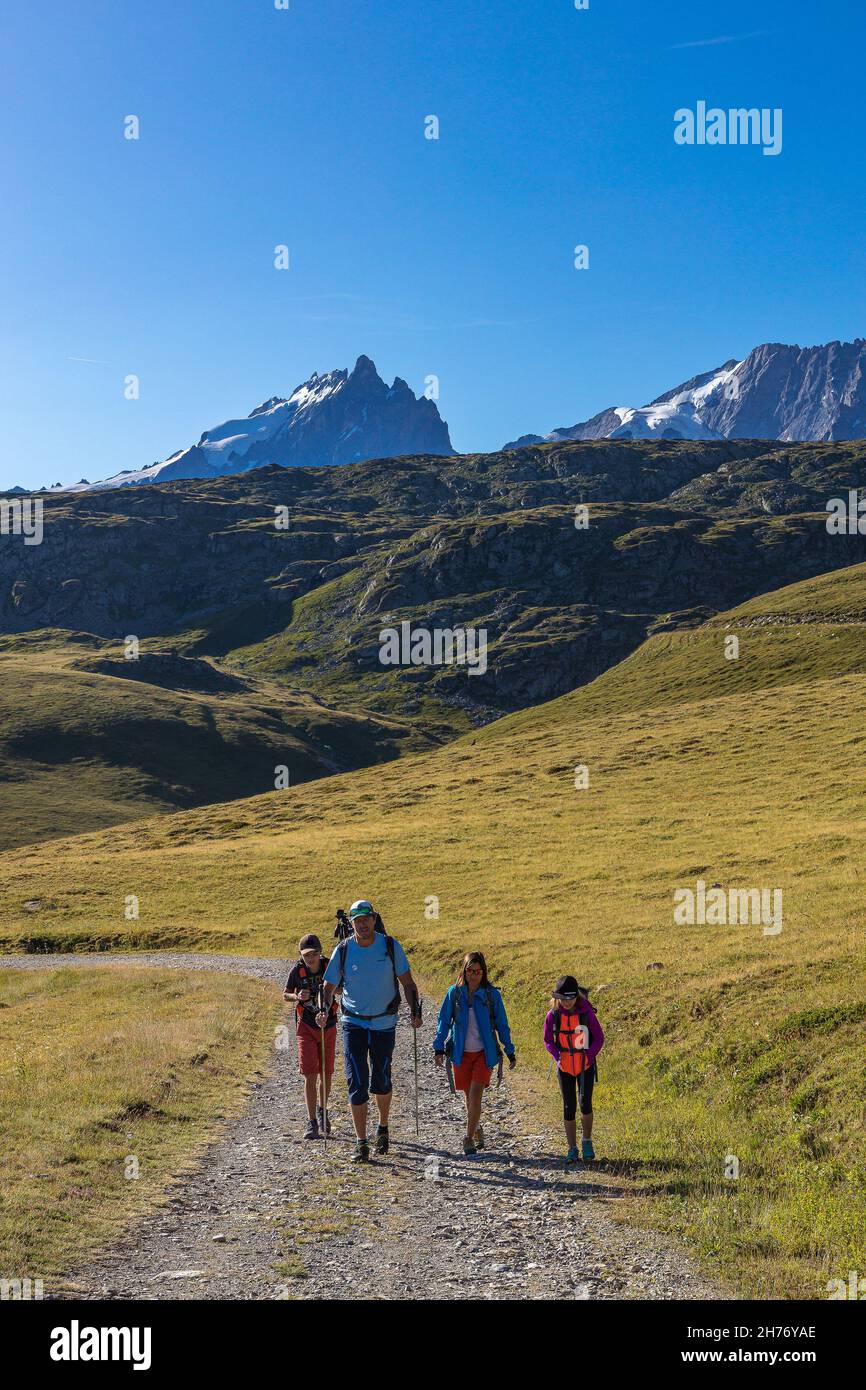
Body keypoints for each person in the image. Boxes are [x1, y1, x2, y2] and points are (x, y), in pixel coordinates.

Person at [320, 899, 421, 1163]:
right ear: (351, 924)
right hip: (353, 1023)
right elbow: (328, 987)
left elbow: (408, 983)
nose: (363, 925)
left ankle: (383, 1127)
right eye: (357, 921)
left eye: (367, 919)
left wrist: (415, 1011)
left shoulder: (390, 946)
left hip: (384, 1023)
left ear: (374, 920)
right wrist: (323, 1009)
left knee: (381, 1080)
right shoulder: (342, 950)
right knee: (357, 1082)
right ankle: (361, 1142)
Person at [432, 951, 516, 1155]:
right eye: (470, 970)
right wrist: (438, 1046)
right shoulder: (454, 993)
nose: (474, 975)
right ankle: (476, 1127)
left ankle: (468, 1138)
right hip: (460, 1053)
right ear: (464, 970)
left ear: (484, 972)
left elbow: (502, 1025)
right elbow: (444, 1021)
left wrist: (509, 1050)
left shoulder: (491, 995)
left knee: (476, 1094)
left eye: (478, 971)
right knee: (468, 1097)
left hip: (483, 1054)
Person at [543, 975, 604, 1163]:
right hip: (565, 1067)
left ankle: (586, 1142)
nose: (567, 1002)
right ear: (557, 998)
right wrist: (558, 1057)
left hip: (585, 1066)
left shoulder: (586, 1013)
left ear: (576, 997)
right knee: (569, 1107)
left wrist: (589, 1055)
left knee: (585, 1104)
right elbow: (548, 1041)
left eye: (570, 998)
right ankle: (572, 1148)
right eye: (563, 998)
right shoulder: (553, 1015)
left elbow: (599, 1038)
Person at [283, 934, 339, 1139]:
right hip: (306, 1026)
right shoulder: (297, 970)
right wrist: (297, 996)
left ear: (320, 952)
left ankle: (323, 1110)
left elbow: (342, 988)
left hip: (329, 1025)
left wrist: (329, 991)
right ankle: (312, 1121)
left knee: (326, 1072)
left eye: (314, 954)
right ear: (301, 955)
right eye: (306, 955)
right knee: (309, 1074)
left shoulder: (329, 966)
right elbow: (285, 994)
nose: (311, 958)